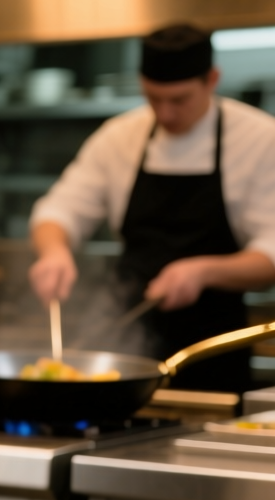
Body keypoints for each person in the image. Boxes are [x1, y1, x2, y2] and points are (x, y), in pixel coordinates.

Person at [30, 25, 275, 393]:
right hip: (123, 340)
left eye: (179, 100)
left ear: (212, 79)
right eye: (153, 98)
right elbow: (59, 210)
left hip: (210, 351)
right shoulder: (120, 136)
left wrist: (204, 270)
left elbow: (271, 254)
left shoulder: (259, 139)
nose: (165, 113)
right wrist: (54, 252)